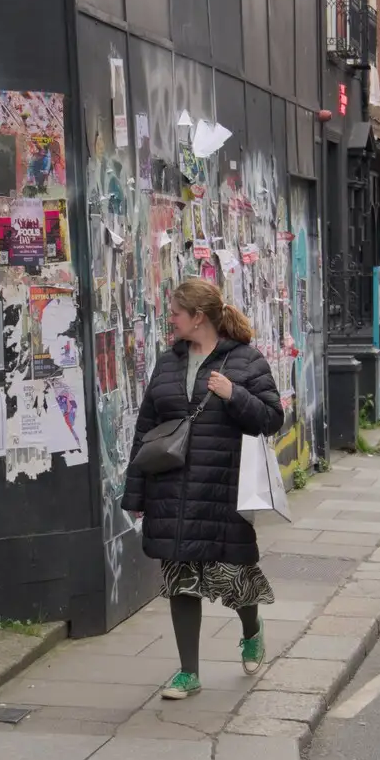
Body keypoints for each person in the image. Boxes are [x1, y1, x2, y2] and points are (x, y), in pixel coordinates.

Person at [124, 278, 284, 701]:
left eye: (176, 311)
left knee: (235, 578)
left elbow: (271, 418)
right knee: (179, 581)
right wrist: (136, 495)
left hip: (221, 491)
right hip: (171, 491)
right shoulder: (167, 362)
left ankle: (252, 631)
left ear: (198, 317)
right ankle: (187, 672)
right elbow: (146, 430)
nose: (170, 318)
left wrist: (234, 395)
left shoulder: (245, 362)